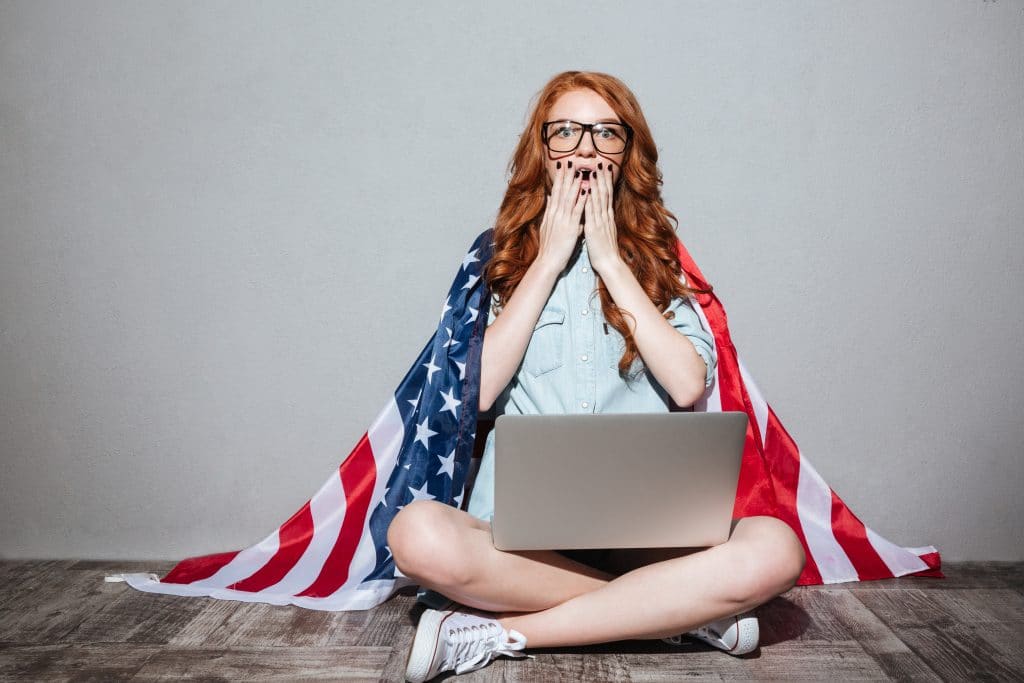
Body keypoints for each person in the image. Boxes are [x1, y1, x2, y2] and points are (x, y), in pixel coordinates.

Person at [387, 71, 807, 683]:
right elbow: (473, 394)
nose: (585, 147)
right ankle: (670, 608)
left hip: (648, 532)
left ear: (626, 152)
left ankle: (500, 632)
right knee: (416, 534)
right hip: (518, 538)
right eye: (567, 131)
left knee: (775, 547)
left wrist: (610, 260)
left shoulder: (661, 258)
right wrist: (551, 256)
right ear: (543, 147)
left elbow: (689, 384)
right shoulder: (499, 258)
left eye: (605, 133)